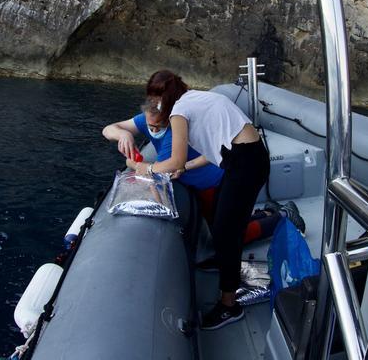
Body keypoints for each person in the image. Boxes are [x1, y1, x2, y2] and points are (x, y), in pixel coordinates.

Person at [134, 69, 271, 330]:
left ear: (161, 100)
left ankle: (229, 306)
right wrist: (186, 168)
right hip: (246, 158)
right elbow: (217, 147)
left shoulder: (178, 112)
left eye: (154, 101)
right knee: (224, 218)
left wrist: (148, 169)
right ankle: (225, 262)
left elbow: (173, 159)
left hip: (244, 164)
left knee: (225, 231)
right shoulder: (197, 99)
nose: (154, 108)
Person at [102, 100, 289, 246]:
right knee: (223, 222)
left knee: (224, 236)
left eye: (159, 126)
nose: (153, 130)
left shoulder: (174, 134)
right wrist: (124, 134)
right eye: (150, 126)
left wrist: (130, 161)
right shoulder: (147, 120)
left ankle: (283, 218)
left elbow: (158, 168)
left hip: (213, 183)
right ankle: (268, 213)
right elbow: (108, 129)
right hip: (198, 183)